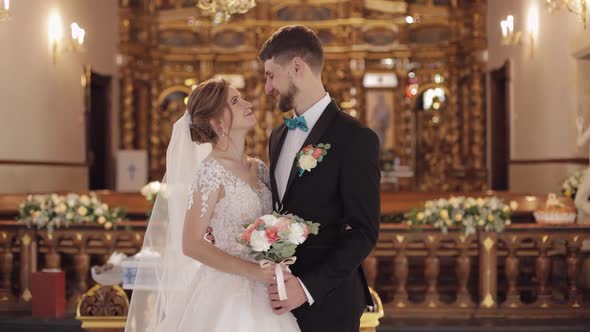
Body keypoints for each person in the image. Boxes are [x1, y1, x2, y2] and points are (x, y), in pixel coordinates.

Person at [125, 78, 300, 331]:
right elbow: (192, 243)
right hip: (228, 291)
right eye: (235, 101)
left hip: (268, 289)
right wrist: (252, 271)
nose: (248, 104)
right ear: (217, 122)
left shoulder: (259, 168)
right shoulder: (210, 173)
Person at [261, 25, 381, 332]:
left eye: (271, 75)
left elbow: (364, 231)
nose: (267, 87)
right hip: (275, 300)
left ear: (297, 67)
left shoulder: (355, 138)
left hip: (329, 300)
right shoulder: (277, 136)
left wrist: (306, 288)